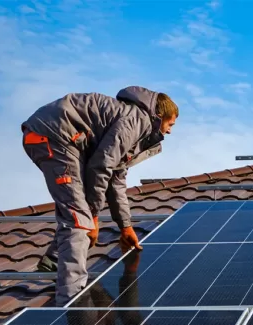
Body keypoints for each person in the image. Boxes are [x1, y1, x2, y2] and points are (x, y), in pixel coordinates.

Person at [21, 86, 178, 306]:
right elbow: (101, 166)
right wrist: (94, 217)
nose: (170, 131)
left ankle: (54, 259)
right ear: (159, 116)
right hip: (56, 135)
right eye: (170, 124)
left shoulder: (134, 128)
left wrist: (125, 226)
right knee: (80, 220)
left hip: (63, 139)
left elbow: (116, 180)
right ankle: (74, 303)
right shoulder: (136, 121)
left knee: (77, 206)